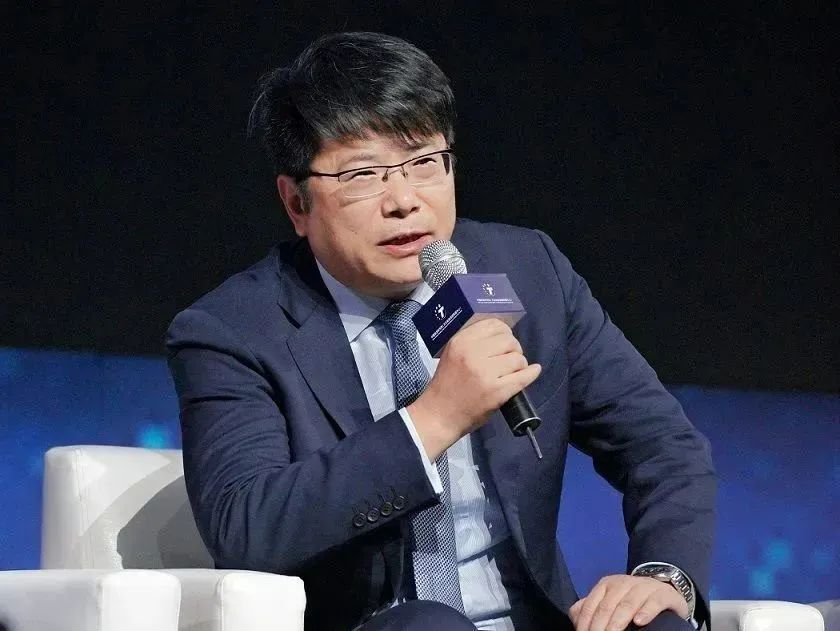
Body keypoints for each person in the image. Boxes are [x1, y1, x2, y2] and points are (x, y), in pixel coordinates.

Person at [166, 32, 716, 631]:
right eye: (363, 174)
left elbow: (662, 445)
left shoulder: (530, 271)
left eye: (424, 162)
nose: (404, 201)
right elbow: (245, 529)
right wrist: (435, 418)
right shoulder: (234, 330)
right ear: (297, 203)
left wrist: (664, 576)